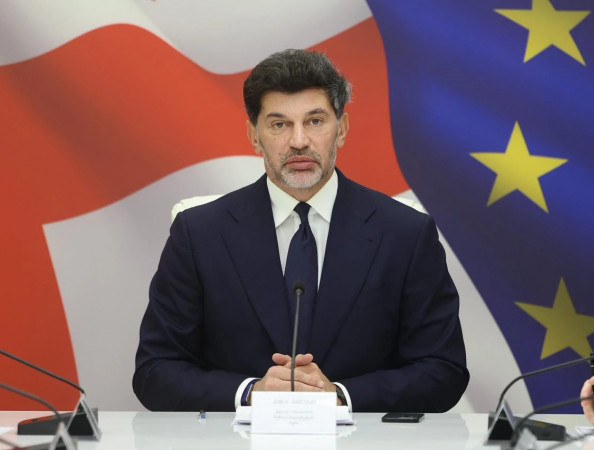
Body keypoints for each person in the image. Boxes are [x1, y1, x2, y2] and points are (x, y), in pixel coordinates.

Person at [133, 49, 469, 412]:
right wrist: (251, 392)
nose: (299, 141)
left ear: (342, 129)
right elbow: (155, 371)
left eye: (315, 121)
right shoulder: (199, 233)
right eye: (279, 124)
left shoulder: (406, 232)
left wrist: (339, 396)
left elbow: (443, 370)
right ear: (254, 135)